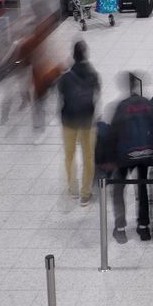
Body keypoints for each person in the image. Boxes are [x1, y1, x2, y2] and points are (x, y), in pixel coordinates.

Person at [106, 73, 153, 243]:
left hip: (125, 155)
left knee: (118, 189)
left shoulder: (121, 106)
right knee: (142, 188)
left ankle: (120, 228)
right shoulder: (148, 104)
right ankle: (143, 227)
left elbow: (113, 132)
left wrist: (111, 157)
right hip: (146, 153)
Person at [57, 41, 100, 206]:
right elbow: (96, 96)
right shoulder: (93, 74)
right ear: (86, 54)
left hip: (68, 121)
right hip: (87, 122)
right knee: (88, 156)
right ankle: (85, 194)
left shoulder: (66, 77)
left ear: (73, 55)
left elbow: (61, 97)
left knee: (69, 155)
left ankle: (72, 188)